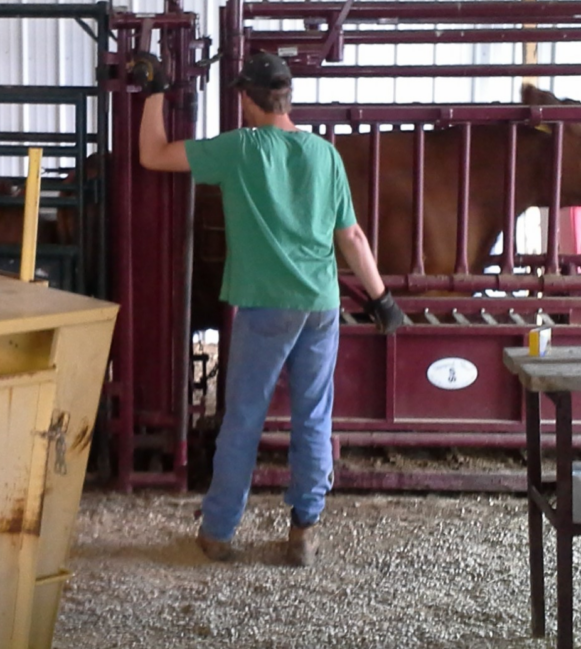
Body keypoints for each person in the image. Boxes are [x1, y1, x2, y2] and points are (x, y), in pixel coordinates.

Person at [136, 51, 403, 567]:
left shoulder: (240, 149)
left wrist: (155, 92)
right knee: (313, 418)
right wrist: (381, 299)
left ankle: (218, 530)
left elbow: (153, 154)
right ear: (287, 97)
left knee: (244, 420)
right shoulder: (325, 155)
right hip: (321, 306)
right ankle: (303, 531)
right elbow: (350, 235)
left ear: (245, 99)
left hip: (264, 307)